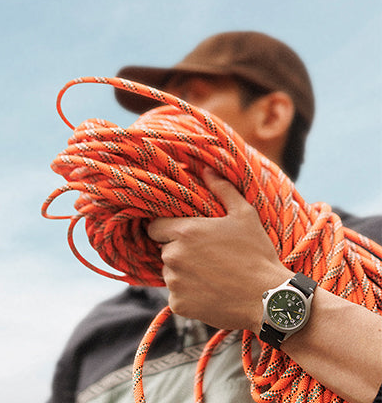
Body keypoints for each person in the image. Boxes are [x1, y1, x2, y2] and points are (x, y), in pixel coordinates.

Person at [47, 32, 382, 403]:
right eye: (151, 106)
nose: (155, 118)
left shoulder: (372, 250)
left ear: (271, 116)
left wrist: (264, 294)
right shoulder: (99, 334)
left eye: (189, 98)